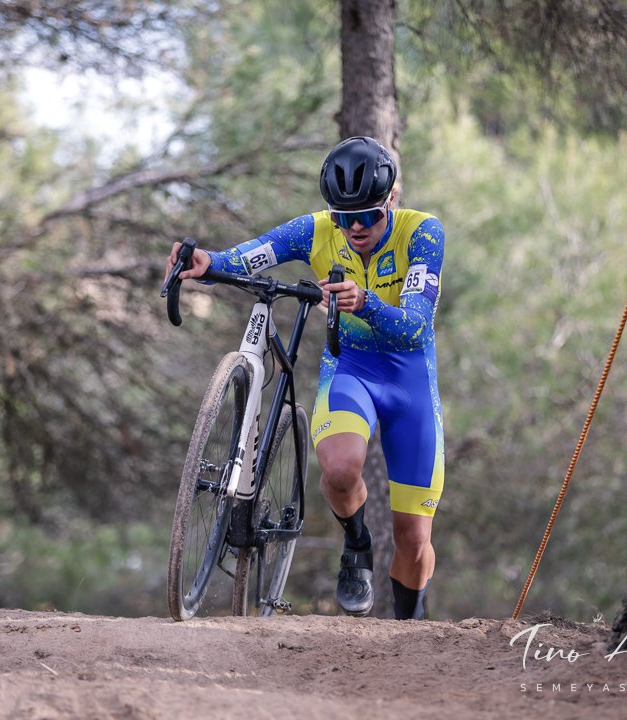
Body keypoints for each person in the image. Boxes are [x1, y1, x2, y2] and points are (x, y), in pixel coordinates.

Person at [166, 136, 445, 620]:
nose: (355, 228)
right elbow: (253, 255)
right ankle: (356, 544)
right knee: (339, 470)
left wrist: (365, 302)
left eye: (368, 215)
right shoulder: (315, 230)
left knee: (414, 538)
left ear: (392, 200)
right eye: (344, 217)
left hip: (409, 380)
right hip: (352, 366)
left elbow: (416, 327)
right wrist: (207, 264)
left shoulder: (423, 232)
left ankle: (411, 626)